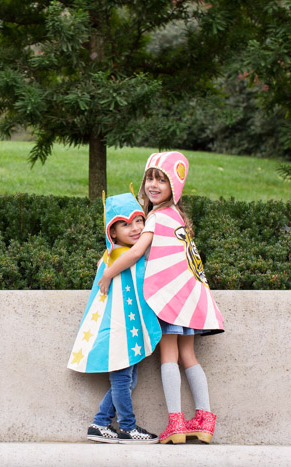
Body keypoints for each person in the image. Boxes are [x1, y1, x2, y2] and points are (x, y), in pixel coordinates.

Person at [98, 151, 224, 445]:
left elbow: (135, 252)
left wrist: (107, 274)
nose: (153, 184)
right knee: (188, 356)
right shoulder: (179, 218)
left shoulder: (155, 217)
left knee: (169, 356)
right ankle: (204, 420)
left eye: (161, 179)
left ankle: (176, 424)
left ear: (173, 187)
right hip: (190, 299)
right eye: (150, 177)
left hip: (168, 300)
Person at [68, 191, 162, 444]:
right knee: (123, 377)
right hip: (119, 330)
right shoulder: (121, 256)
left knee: (128, 378)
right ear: (112, 231)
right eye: (125, 223)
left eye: (138, 221)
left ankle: (100, 423)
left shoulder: (116, 255)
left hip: (125, 329)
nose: (134, 228)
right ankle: (127, 427)